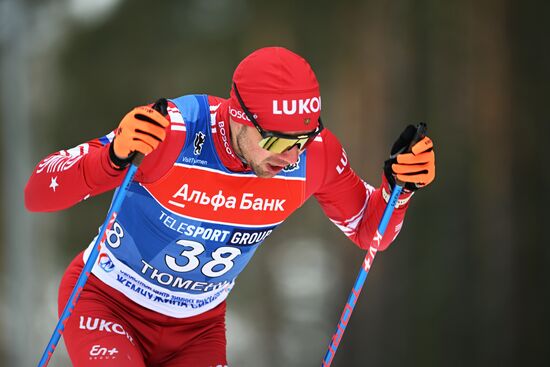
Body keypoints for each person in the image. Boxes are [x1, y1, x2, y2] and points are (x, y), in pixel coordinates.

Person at [25, 47, 435, 367]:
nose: (292, 158)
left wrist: (400, 188)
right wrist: (111, 157)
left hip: (197, 330)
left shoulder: (317, 156)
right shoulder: (174, 132)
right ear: (240, 117)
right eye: (276, 141)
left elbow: (369, 232)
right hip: (108, 303)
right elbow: (39, 191)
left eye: (304, 140)